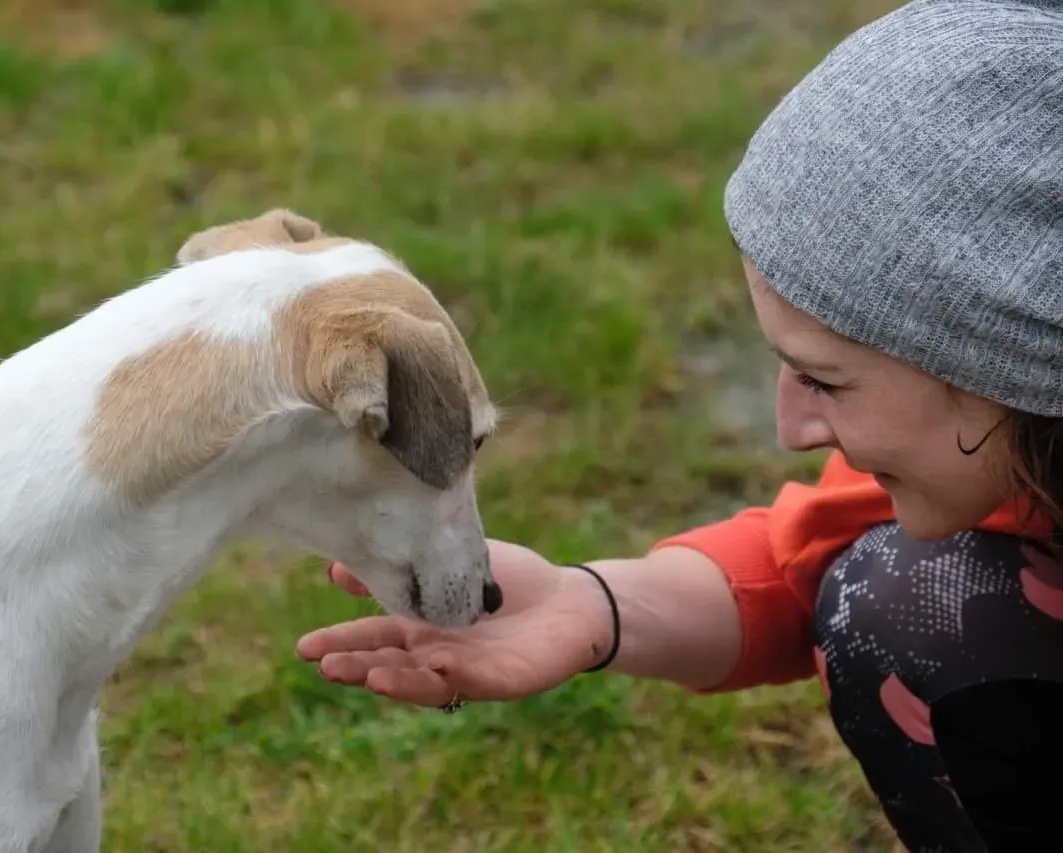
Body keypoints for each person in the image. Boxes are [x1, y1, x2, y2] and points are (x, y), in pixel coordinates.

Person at [296, 1, 1063, 850]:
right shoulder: (1012, 437)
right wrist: (588, 603)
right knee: (899, 601)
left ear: (1007, 361)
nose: (791, 425)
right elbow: (790, 569)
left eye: (825, 379)